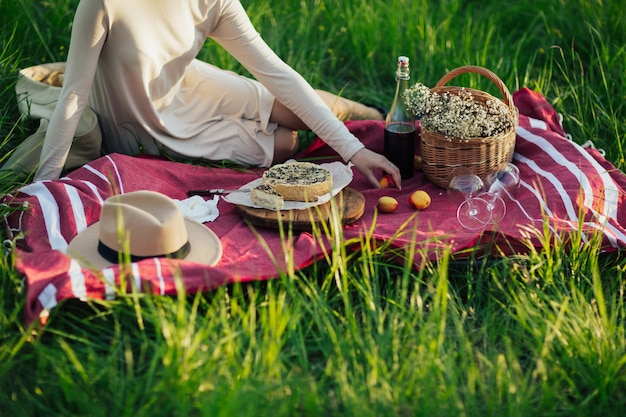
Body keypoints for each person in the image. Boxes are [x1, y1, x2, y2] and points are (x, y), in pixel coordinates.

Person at [33, 0, 402, 189]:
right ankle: (363, 117)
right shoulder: (103, 3)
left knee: (289, 110)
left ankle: (371, 112)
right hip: (147, 122)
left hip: (192, 84)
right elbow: (72, 98)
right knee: (286, 144)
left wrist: (354, 150)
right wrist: (43, 186)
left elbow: (277, 73)